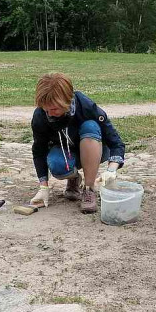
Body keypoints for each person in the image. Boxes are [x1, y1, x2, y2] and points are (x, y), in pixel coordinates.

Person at [30, 73, 125, 214]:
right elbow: (39, 150)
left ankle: (89, 189)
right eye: (46, 109)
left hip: (94, 148)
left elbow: (116, 141)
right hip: (65, 153)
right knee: (56, 165)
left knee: (91, 126)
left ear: (66, 102)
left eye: (54, 109)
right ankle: (74, 179)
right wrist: (43, 186)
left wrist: (112, 169)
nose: (49, 114)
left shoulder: (86, 106)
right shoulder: (40, 116)